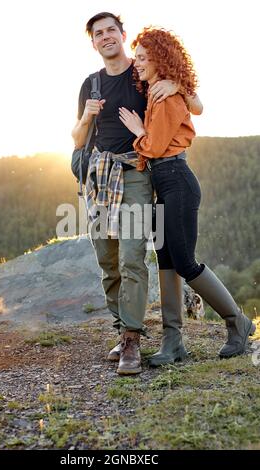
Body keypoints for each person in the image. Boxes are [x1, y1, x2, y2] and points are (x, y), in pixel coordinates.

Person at [72, 12, 203, 375]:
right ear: (94, 43)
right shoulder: (91, 84)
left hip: (135, 175)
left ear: (122, 34)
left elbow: (197, 106)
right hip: (99, 178)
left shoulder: (142, 74)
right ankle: (120, 328)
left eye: (111, 30)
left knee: (131, 256)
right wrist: (86, 117)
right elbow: (79, 138)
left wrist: (178, 86)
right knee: (107, 261)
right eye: (98, 34)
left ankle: (132, 338)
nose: (105, 36)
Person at [119, 27, 256, 367]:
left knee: (184, 261)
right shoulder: (155, 92)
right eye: (136, 58)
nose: (136, 63)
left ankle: (237, 321)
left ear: (159, 60)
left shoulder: (165, 96)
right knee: (165, 257)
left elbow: (153, 146)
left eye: (142, 58)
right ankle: (173, 341)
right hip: (164, 183)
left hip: (177, 180)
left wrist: (138, 132)